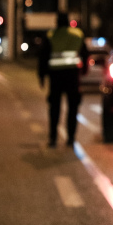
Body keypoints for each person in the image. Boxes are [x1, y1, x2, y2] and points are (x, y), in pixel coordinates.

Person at [38, 12, 89, 147]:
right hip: (72, 76)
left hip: (56, 77)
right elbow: (84, 53)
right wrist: (84, 70)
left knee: (54, 108)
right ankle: (71, 138)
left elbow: (43, 57)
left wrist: (41, 76)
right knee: (73, 108)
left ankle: (53, 138)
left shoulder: (51, 35)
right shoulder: (77, 34)